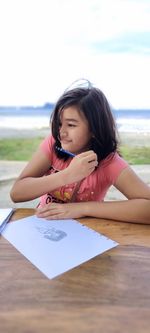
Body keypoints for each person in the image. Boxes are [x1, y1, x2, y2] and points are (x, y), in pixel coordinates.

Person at [10, 80, 150, 224]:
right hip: (44, 226)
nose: (61, 133)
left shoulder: (108, 162)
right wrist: (67, 175)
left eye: (71, 125)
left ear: (94, 129)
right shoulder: (53, 143)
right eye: (59, 124)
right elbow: (17, 193)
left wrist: (82, 209)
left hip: (86, 232)